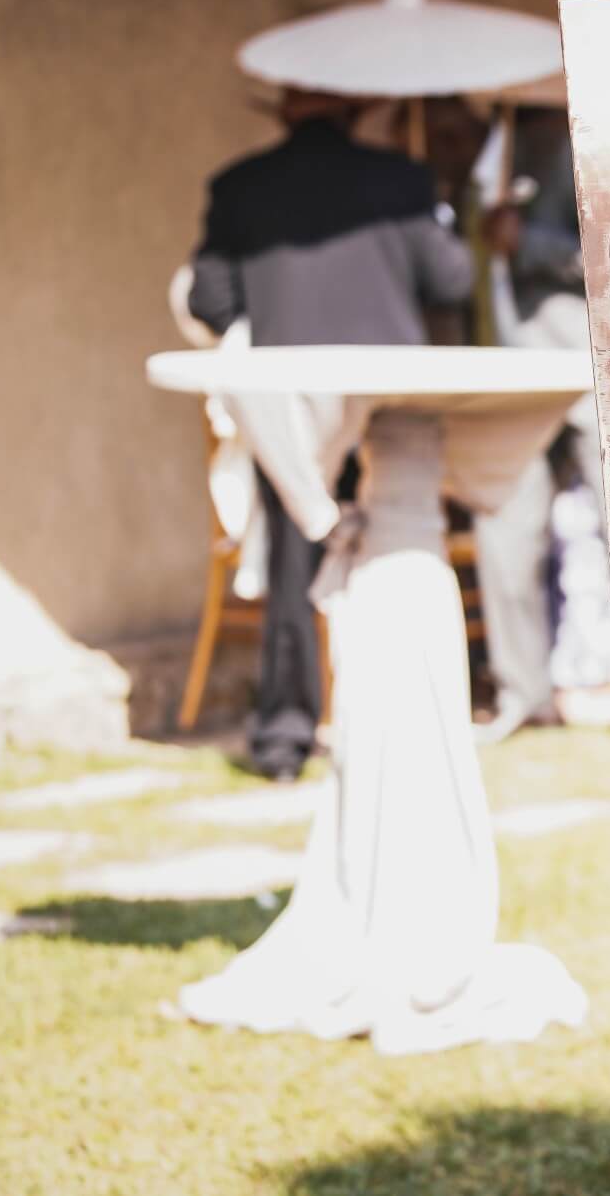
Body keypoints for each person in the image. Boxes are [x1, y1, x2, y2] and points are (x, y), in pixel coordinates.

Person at [188, 88, 475, 779]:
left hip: (293, 402)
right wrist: (442, 210)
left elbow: (211, 300)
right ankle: (401, 726)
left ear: (284, 112)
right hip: (391, 399)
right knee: (395, 554)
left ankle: (284, 739)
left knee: (293, 565)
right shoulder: (402, 180)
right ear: (356, 110)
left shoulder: (240, 187)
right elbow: (453, 279)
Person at [470, 106, 602, 744]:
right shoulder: (462, 166)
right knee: (505, 530)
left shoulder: (560, 141)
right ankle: (523, 696)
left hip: (582, 365)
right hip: (505, 377)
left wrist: (528, 244)